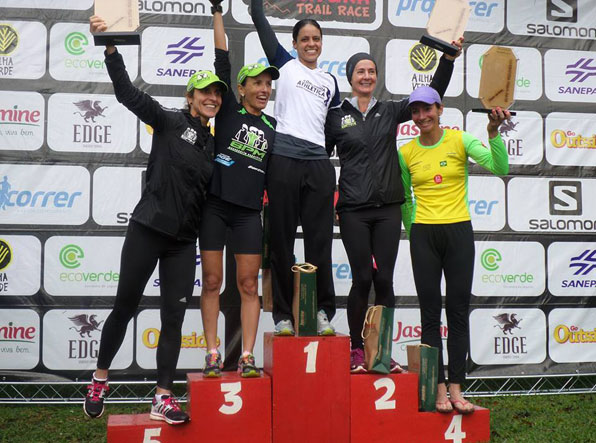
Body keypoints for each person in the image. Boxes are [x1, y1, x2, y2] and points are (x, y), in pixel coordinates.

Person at [84, 16, 226, 425]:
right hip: (148, 229)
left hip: (183, 242)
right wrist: (111, 48)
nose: (212, 98)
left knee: (174, 318)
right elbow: (127, 93)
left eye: (217, 93)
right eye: (205, 92)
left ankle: (162, 397)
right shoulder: (169, 121)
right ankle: (99, 379)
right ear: (190, 96)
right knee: (124, 306)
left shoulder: (213, 143)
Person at [324, 43, 462, 373]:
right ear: (350, 78)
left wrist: (447, 60)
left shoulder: (388, 110)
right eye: (361, 71)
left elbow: (431, 93)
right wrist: (330, 198)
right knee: (362, 279)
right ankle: (357, 350)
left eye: (371, 71)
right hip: (354, 210)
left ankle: (382, 351)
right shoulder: (336, 116)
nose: (367, 76)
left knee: (384, 280)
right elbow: (319, 159)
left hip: (387, 209)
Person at [399, 86, 510, 414]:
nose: (422, 117)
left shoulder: (460, 140)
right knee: (429, 315)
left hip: (458, 232)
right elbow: (405, 199)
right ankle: (438, 390)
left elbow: (500, 167)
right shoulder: (406, 152)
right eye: (416, 111)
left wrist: (493, 133)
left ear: (440, 109)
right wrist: (414, 233)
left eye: (427, 109)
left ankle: (457, 388)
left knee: (458, 312)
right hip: (424, 236)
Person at [251, 0, 340, 336]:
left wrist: (320, 155)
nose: (310, 44)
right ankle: (283, 316)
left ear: (321, 43)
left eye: (315, 38)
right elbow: (259, 20)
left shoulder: (330, 81)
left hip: (317, 164)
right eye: (304, 39)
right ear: (294, 44)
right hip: (284, 161)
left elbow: (332, 127)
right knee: (282, 242)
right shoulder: (284, 65)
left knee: (320, 243)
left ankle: (322, 311)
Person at [200, 1, 278, 378]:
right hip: (215, 207)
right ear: (241, 89)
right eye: (257, 83)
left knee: (248, 284)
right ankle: (212, 353)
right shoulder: (229, 109)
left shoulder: (274, 127)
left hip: (248, 213)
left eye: (268, 84)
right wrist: (218, 11)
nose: (264, 89)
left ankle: (246, 355)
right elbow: (222, 58)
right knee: (212, 281)